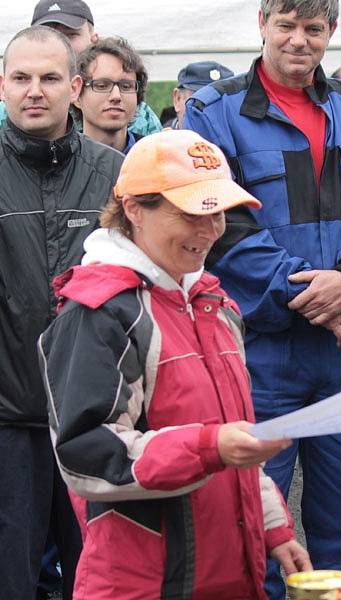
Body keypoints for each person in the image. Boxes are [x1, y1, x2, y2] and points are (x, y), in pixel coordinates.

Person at [183, 0, 341, 597]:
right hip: (257, 352)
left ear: (332, 32)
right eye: (286, 26)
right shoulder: (215, 113)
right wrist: (316, 297)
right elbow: (219, 226)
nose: (299, 41)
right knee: (254, 536)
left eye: (313, 28)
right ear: (261, 25)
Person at [38, 129, 312, 598]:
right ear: (133, 209)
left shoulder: (215, 303)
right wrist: (210, 447)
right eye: (191, 214)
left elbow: (235, 433)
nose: (209, 232)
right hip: (143, 586)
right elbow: (85, 457)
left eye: (219, 213)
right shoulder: (100, 311)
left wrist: (273, 526)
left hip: (230, 576)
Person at [0, 25, 124, 599]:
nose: (35, 90)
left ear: (75, 88)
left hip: (95, 420)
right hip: (7, 423)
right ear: (2, 85)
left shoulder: (115, 172)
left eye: (50, 78)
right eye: (21, 77)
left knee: (100, 581)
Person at [0, 0, 163, 137]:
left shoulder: (138, 115)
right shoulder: (9, 108)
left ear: (93, 40)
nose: (59, 44)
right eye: (48, 34)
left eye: (70, 35)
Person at [74, 36, 147, 154]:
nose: (116, 96)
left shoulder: (154, 158)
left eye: (126, 86)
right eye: (102, 86)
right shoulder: (60, 163)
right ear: (77, 95)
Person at [170, 60, 234, 129]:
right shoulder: (162, 139)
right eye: (200, 100)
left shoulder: (241, 138)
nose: (211, 110)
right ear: (177, 99)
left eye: (220, 102)